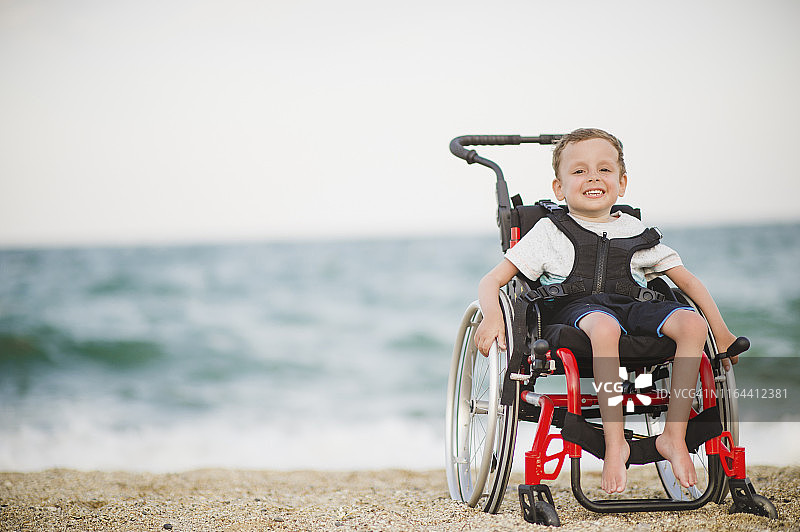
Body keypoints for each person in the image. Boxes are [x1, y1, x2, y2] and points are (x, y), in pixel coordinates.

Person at [474, 128, 739, 494]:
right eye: (579, 171)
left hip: (633, 307)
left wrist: (720, 333)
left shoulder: (637, 230)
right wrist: (491, 316)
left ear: (621, 182)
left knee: (692, 324)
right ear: (559, 188)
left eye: (604, 169)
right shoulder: (548, 232)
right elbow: (492, 281)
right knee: (603, 328)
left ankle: (673, 437)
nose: (593, 177)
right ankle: (616, 443)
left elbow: (689, 283)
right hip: (576, 311)